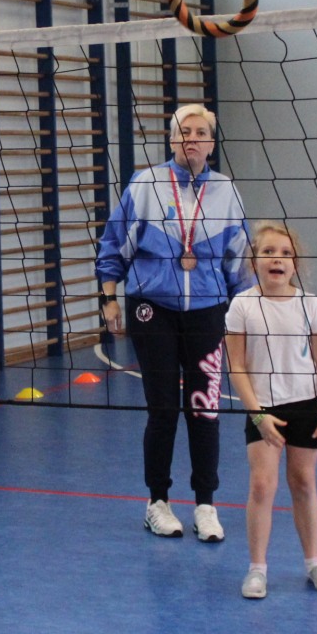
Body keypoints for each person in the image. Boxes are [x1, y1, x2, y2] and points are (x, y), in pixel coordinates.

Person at [98, 104, 253, 541]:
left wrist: (248, 315)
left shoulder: (226, 190)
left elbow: (240, 258)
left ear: (211, 143)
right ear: (171, 139)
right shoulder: (145, 184)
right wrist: (109, 299)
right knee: (162, 408)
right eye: (185, 131)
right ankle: (158, 502)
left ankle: (206, 504)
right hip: (152, 309)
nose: (192, 139)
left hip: (207, 311)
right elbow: (114, 244)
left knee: (204, 408)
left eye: (201, 132)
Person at [224, 222, 317, 599]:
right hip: (263, 408)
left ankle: (314, 563)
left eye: (286, 253)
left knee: (303, 482)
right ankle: (257, 569)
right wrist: (256, 414)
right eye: (269, 252)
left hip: (305, 404)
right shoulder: (242, 305)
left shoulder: (309, 303)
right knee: (262, 485)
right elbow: (236, 366)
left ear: (295, 263)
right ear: (254, 261)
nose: (278, 259)